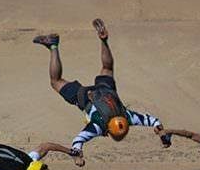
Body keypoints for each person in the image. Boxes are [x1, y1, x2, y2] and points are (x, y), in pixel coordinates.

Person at [33, 18, 170, 156]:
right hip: (84, 96)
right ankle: (53, 46)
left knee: (107, 68)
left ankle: (103, 40)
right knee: (56, 81)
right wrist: (77, 154)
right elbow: (78, 140)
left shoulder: (129, 117)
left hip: (106, 89)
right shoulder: (98, 127)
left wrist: (161, 132)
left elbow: (153, 120)